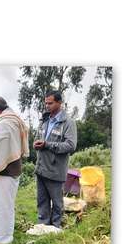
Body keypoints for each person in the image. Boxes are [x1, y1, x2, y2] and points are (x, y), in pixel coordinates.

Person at [0, 96, 29, 244]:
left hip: (5, 169)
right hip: (13, 167)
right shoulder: (14, 119)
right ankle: (2, 236)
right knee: (6, 205)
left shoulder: (4, 123)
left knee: (0, 205)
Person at [34, 90, 77, 228]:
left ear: (59, 102)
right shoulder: (45, 120)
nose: (47, 106)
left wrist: (47, 144)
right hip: (41, 167)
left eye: (50, 103)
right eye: (45, 103)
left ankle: (56, 226)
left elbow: (70, 145)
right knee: (42, 200)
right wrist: (36, 143)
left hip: (56, 169)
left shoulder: (68, 123)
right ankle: (43, 225)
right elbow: (38, 138)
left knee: (57, 202)